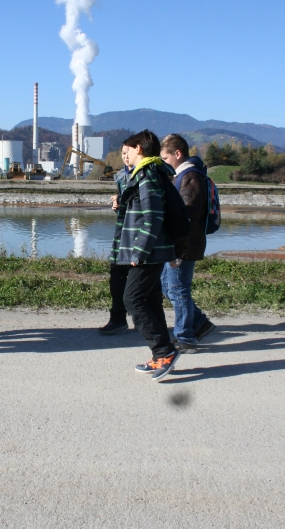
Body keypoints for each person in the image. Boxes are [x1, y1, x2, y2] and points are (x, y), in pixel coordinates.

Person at [110, 129, 179, 381]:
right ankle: (160, 355)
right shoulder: (144, 175)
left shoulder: (148, 176)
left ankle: (165, 351)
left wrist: (138, 252)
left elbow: (152, 218)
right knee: (150, 302)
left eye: (127, 149)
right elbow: (140, 212)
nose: (125, 154)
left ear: (139, 148)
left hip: (148, 253)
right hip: (150, 251)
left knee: (132, 300)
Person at [159, 134, 215, 353]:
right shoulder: (184, 175)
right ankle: (199, 322)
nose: (163, 162)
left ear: (177, 154)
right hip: (184, 242)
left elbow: (185, 214)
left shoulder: (189, 176)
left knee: (178, 289)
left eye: (165, 157)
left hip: (185, 244)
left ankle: (186, 337)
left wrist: (176, 244)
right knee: (168, 286)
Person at [99, 144, 133, 334]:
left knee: (146, 282)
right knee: (117, 276)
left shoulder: (147, 176)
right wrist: (118, 204)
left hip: (139, 234)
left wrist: (123, 201)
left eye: (129, 153)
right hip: (122, 232)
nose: (126, 157)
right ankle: (118, 317)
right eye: (123, 154)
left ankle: (149, 320)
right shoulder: (120, 176)